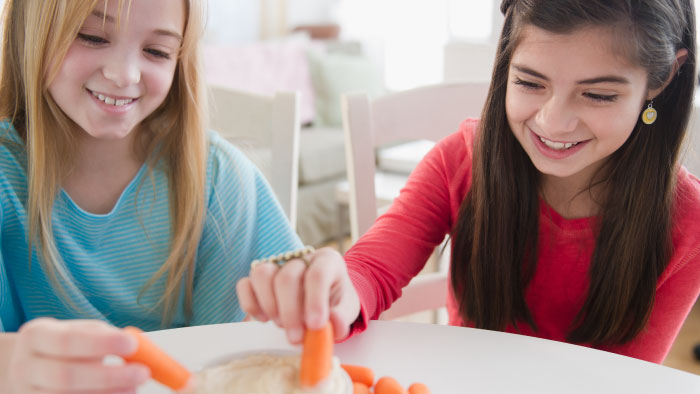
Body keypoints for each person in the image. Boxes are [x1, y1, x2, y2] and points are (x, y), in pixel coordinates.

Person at [238, 0, 700, 365]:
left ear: (662, 79)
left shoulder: (688, 222)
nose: (553, 122)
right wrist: (337, 289)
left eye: (599, 94)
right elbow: (371, 272)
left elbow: (622, 381)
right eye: (529, 83)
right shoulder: (460, 160)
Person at [0, 0, 302, 391]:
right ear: (31, 31)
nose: (123, 75)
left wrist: (313, 283)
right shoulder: (7, 178)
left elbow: (276, 322)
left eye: (157, 52)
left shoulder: (219, 178)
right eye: (92, 37)